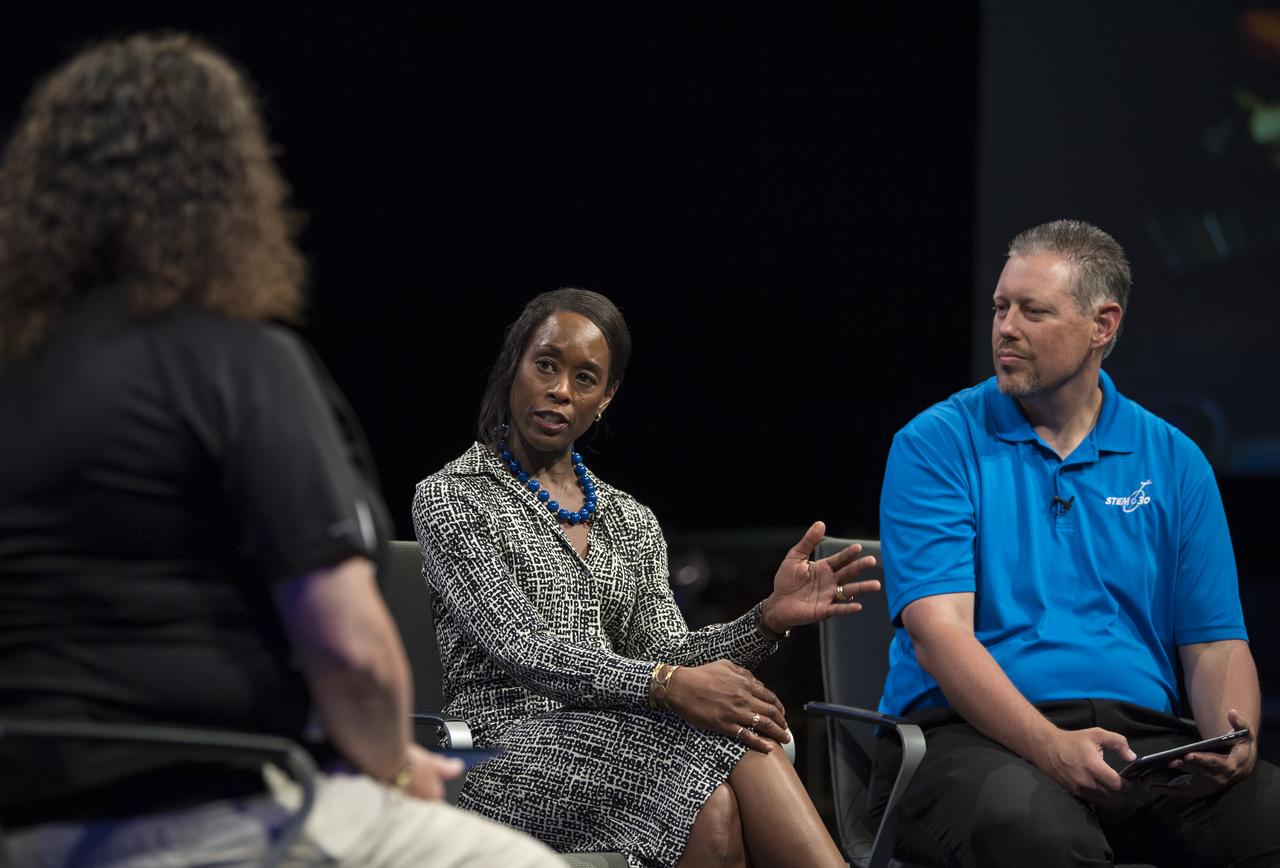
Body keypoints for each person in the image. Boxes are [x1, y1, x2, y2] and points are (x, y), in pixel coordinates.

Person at [0, 33, 563, 867]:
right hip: (208, 816)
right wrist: (393, 768)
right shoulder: (235, 361)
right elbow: (352, 651)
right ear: (222, 192)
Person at [412, 287, 881, 868]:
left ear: (605, 399)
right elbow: (524, 648)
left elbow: (670, 652)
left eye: (585, 379)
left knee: (715, 808)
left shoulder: (629, 519)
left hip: (614, 741)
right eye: (546, 365)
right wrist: (665, 685)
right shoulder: (453, 497)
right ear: (515, 366)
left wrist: (766, 619)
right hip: (498, 753)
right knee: (725, 743)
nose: (560, 390)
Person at [873, 219, 1280, 867]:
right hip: (972, 739)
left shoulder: (1174, 459)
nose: (1005, 328)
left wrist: (1235, 740)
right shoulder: (936, 444)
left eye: (1033, 312)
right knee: (1041, 837)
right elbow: (938, 634)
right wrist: (1049, 746)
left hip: (1141, 742)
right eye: (1001, 307)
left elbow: (1213, 642)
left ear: (1103, 325)